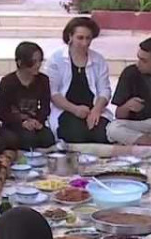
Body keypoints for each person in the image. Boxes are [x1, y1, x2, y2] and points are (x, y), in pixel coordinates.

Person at [47, 16, 113, 144]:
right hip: (67, 110)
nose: (85, 43)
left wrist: (96, 110)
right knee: (76, 135)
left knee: (102, 135)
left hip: (92, 110)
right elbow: (53, 93)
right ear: (70, 36)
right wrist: (75, 110)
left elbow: (105, 90)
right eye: (80, 38)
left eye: (88, 38)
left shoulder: (98, 60)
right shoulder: (56, 59)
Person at [0, 41, 55, 151]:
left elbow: (45, 107)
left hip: (35, 121)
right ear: (20, 62)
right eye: (33, 61)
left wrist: (38, 121)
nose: (38, 65)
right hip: (14, 124)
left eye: (40, 61)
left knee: (48, 139)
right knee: (28, 140)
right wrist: (22, 123)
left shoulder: (43, 80)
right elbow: (2, 113)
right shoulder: (8, 82)